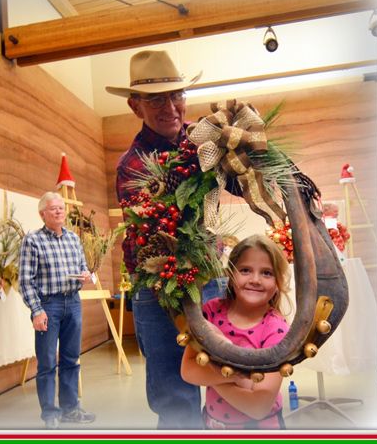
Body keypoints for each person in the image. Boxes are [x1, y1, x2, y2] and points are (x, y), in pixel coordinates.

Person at [108, 49, 208, 429]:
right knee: (174, 393)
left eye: (176, 95)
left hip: (208, 276)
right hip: (157, 285)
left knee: (224, 379)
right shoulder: (132, 165)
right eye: (155, 99)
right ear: (136, 106)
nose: (171, 107)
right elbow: (152, 234)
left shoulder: (206, 140)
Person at [181, 234, 291, 430]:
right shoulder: (211, 311)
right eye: (245, 270)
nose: (255, 280)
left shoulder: (276, 329)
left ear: (278, 283)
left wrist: (217, 370)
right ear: (230, 276)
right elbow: (188, 371)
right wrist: (242, 377)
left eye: (266, 273)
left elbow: (258, 406)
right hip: (212, 425)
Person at [19, 192, 95, 430]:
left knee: (72, 359)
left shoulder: (73, 239)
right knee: (47, 362)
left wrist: (86, 276)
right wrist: (36, 311)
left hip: (73, 302)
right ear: (42, 214)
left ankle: (71, 409)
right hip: (48, 305)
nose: (59, 211)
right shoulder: (32, 241)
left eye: (61, 207)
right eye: (53, 208)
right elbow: (25, 281)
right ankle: (50, 414)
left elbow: (83, 268)